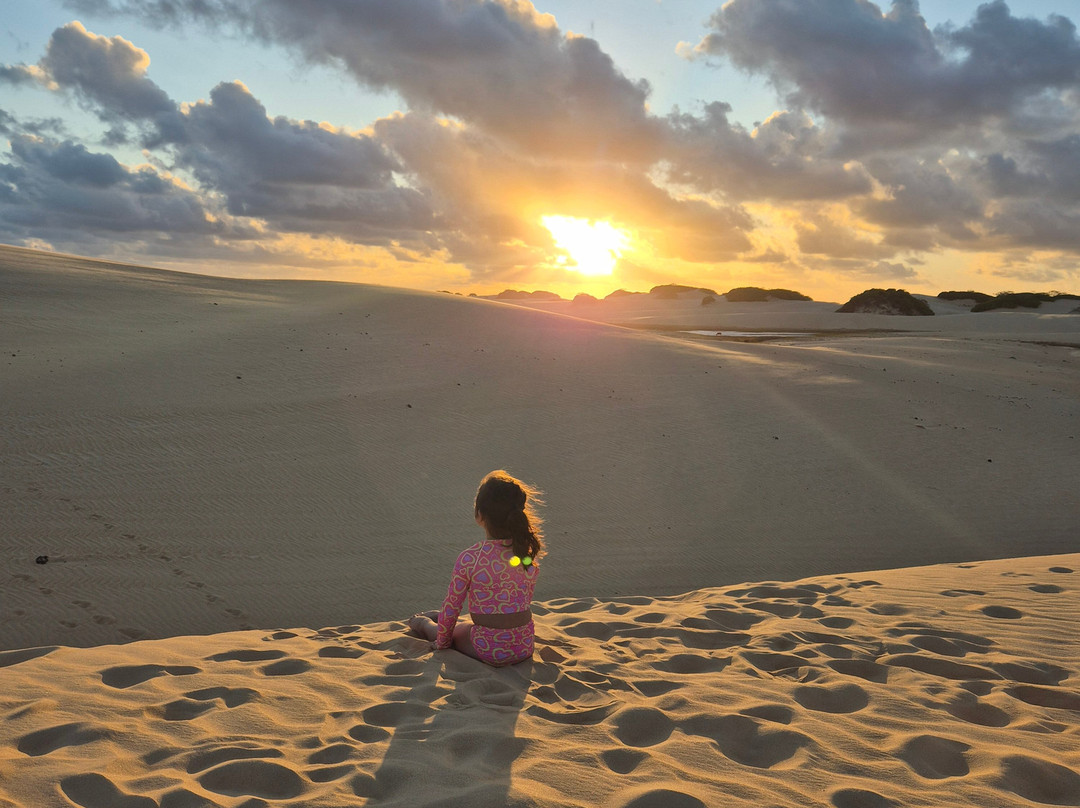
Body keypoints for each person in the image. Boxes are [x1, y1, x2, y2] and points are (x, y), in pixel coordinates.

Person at [408, 470, 544, 666]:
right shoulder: (524, 555)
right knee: (468, 626)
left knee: (454, 630)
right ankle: (436, 618)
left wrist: (442, 643)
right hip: (524, 646)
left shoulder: (470, 558)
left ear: (479, 514)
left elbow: (453, 605)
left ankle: (423, 622)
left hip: (488, 649)